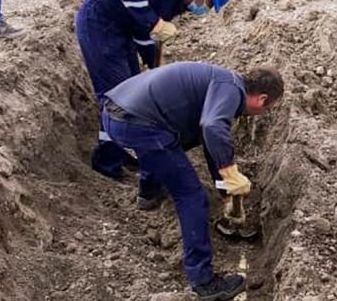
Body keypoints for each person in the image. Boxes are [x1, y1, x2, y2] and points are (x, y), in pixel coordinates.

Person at [102, 61, 283, 301]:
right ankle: (204, 282)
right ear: (261, 99)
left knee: (164, 148)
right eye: (268, 109)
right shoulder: (230, 91)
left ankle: (148, 194)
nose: (264, 113)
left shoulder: (224, 81)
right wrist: (229, 171)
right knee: (191, 196)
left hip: (117, 113)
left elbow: (210, 143)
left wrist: (225, 192)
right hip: (136, 124)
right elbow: (211, 127)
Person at [75, 0, 237, 187]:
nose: (204, 9)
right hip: (100, 25)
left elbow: (144, 34)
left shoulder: (176, 0)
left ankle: (123, 152)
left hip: (122, 32)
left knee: (134, 92)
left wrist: (154, 66)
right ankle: (107, 163)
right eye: (209, 3)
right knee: (117, 99)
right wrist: (155, 23)